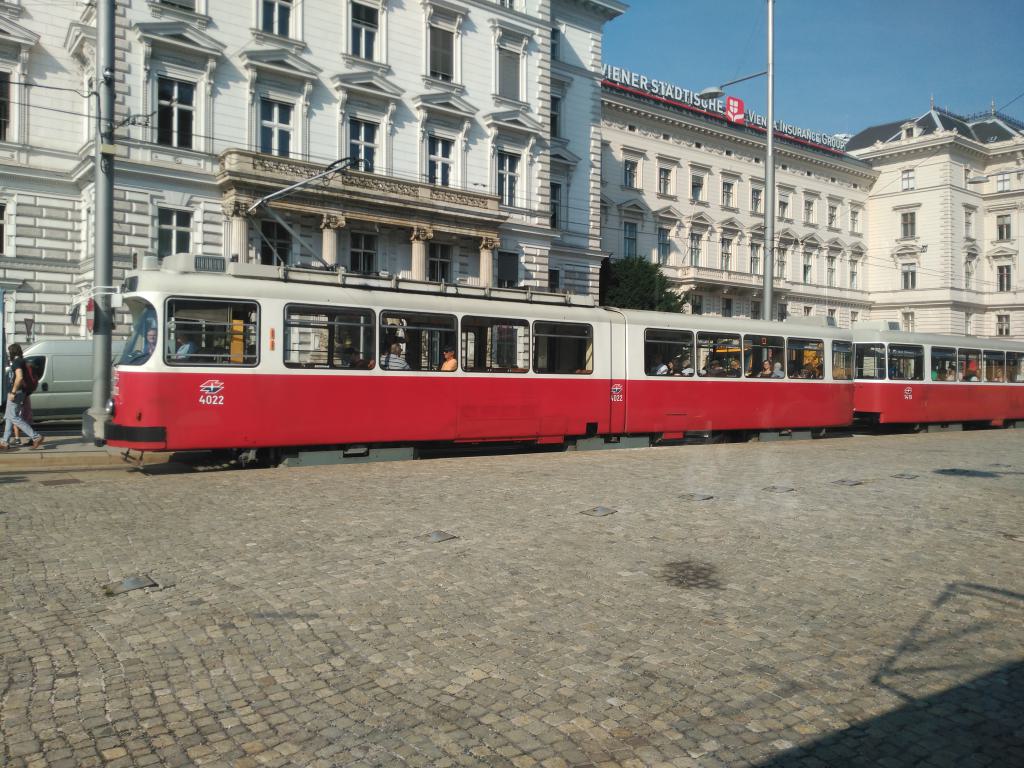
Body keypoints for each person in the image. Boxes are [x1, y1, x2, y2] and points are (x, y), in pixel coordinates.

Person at [2, 343, 44, 450]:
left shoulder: (17, 362)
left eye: (9, 352)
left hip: (16, 393)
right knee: (9, 416)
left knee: (13, 417)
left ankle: (36, 436)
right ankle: (5, 441)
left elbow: (19, 377)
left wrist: (13, 392)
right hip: (20, 392)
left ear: (12, 352)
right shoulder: (22, 361)